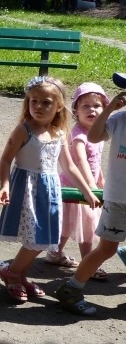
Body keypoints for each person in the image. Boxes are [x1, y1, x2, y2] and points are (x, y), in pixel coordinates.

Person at [0, 76, 100, 303]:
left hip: (49, 191)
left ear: (59, 105)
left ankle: (20, 275)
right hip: (26, 189)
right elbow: (5, 160)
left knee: (43, 237)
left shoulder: (59, 133)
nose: (39, 107)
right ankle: (13, 272)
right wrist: (4, 185)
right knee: (36, 239)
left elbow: (69, 166)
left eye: (46, 102)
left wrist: (87, 190)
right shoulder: (24, 130)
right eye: (34, 101)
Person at [54, 89, 126, 315]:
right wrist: (108, 110)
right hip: (119, 199)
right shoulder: (119, 119)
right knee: (106, 248)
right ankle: (71, 289)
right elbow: (94, 136)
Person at [45, 83, 108, 279]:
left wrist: (101, 180)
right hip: (75, 188)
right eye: (85, 106)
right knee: (85, 230)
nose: (92, 110)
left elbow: (95, 162)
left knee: (68, 226)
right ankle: (89, 264)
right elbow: (80, 161)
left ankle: (54, 253)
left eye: (97, 106)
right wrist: (91, 187)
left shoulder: (99, 134)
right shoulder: (79, 135)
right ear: (75, 111)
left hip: (87, 186)